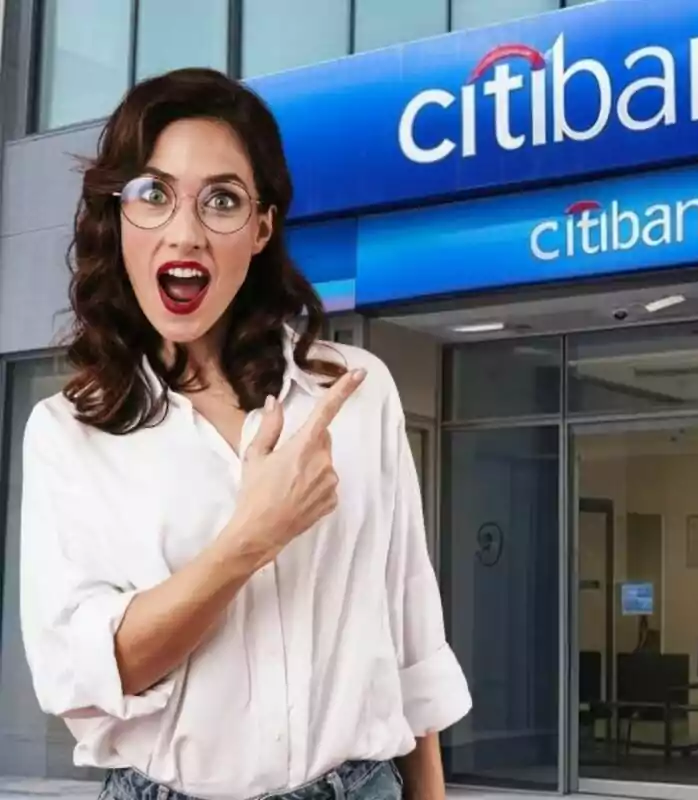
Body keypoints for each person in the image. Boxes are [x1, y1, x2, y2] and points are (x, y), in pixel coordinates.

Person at [18, 68, 470, 800]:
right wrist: (249, 539)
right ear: (118, 214)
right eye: (153, 194)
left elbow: (410, 631)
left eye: (222, 199)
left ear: (261, 228)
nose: (186, 230)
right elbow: (95, 671)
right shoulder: (69, 432)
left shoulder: (353, 392)